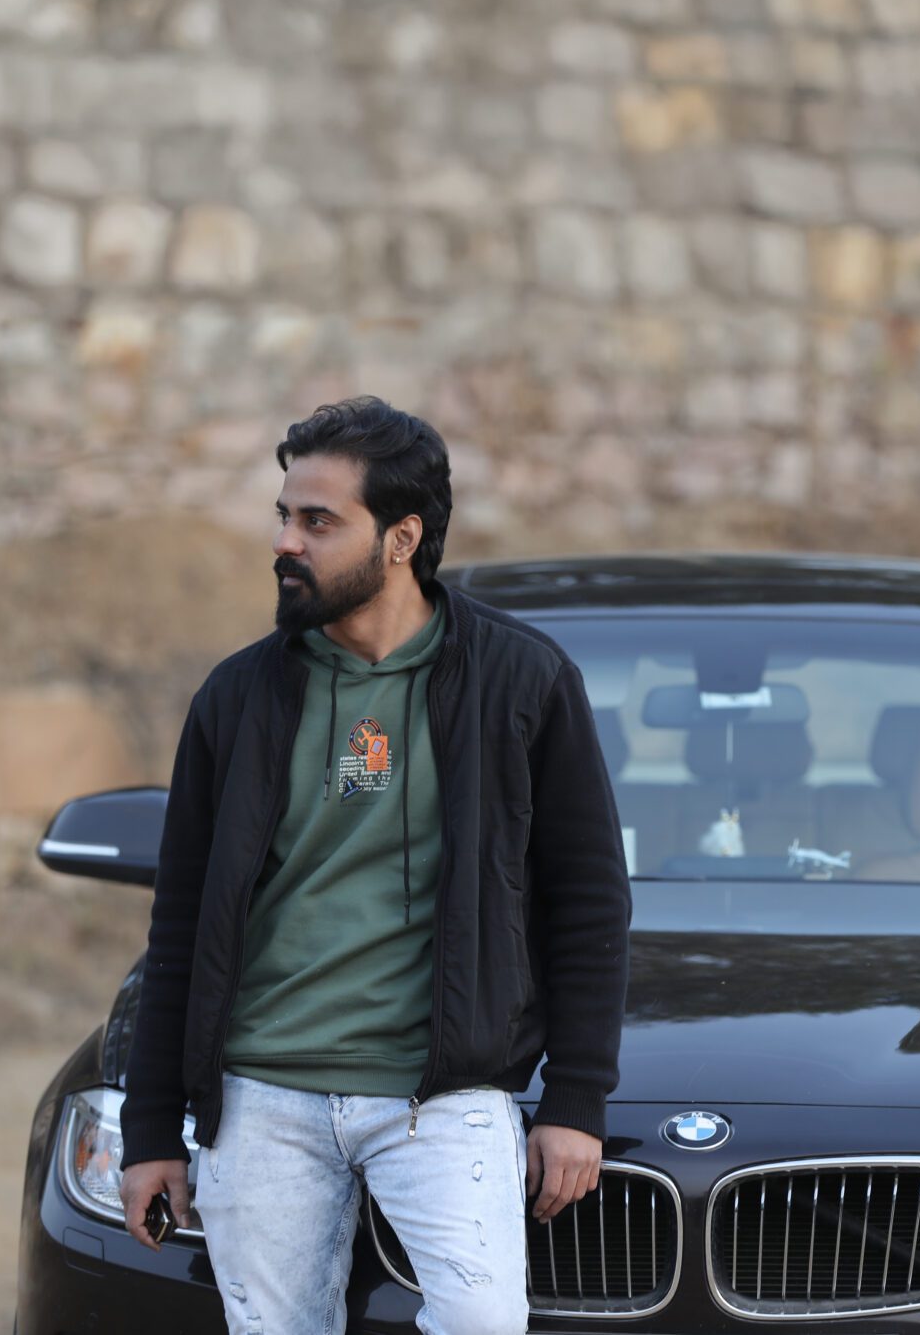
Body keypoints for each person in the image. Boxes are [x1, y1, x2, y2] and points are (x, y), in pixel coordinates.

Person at [117, 397, 631, 1335]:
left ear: (402, 538)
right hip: (261, 1097)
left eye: (319, 521)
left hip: (441, 1098)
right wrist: (151, 1130)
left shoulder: (522, 681)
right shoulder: (236, 698)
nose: (286, 542)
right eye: (284, 515)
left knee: (483, 1323)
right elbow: (182, 923)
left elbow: (589, 901)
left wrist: (577, 1098)